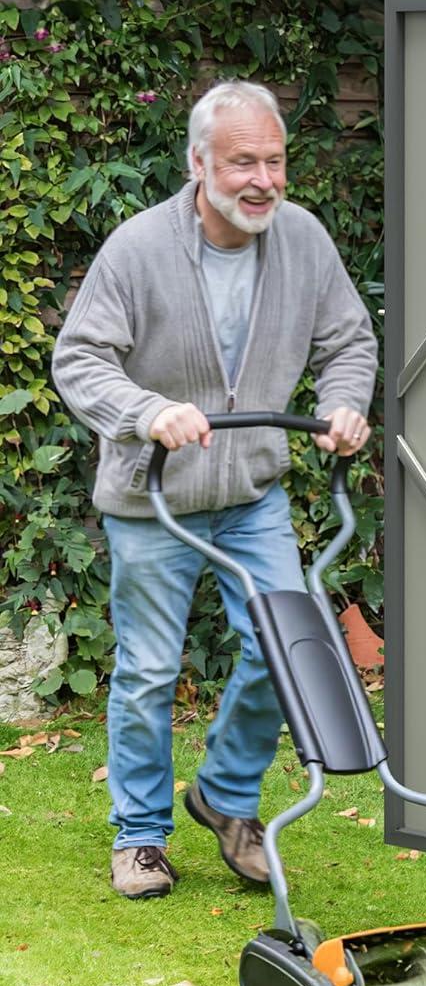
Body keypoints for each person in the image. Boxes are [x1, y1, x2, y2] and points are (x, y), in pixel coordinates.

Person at [52, 80, 378, 899]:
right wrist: (148, 410)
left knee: (283, 646)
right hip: (152, 495)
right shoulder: (137, 248)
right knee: (151, 670)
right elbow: (79, 361)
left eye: (275, 160)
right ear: (199, 164)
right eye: (243, 162)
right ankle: (140, 836)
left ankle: (226, 799)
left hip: (251, 491)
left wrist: (344, 403)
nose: (263, 179)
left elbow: (349, 341)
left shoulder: (302, 241)